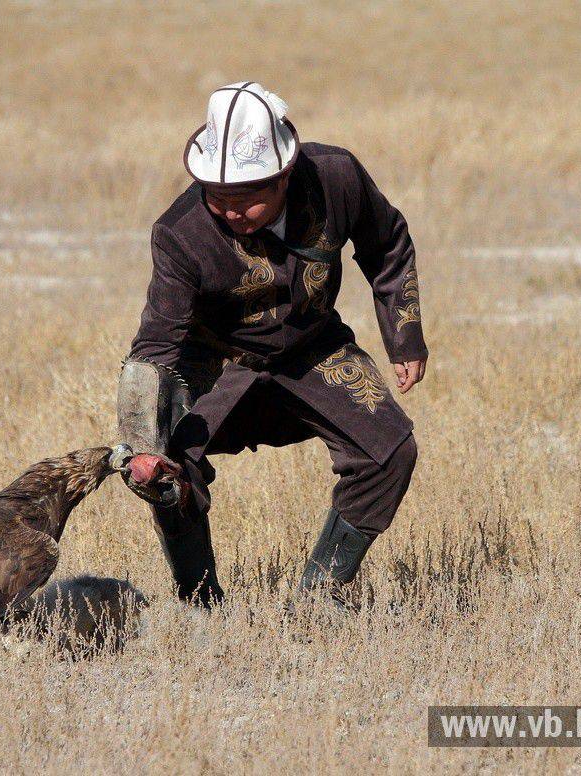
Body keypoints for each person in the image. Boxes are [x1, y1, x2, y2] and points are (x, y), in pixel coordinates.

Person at [117, 81, 427, 609]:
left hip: (312, 347)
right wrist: (143, 444)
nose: (232, 213)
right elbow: (156, 345)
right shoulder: (179, 233)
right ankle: (200, 605)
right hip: (215, 359)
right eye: (219, 199)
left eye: (248, 198)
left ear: (285, 173)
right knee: (168, 470)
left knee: (390, 450)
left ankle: (319, 598)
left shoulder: (337, 177)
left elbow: (387, 241)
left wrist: (404, 335)